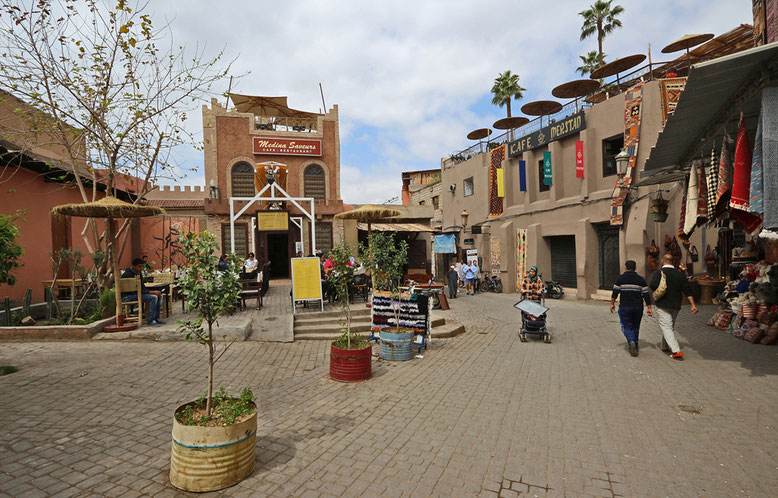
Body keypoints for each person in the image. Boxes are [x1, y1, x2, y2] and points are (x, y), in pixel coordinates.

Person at [649, 253, 699, 360]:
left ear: (663, 261)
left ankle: (676, 351)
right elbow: (687, 289)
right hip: (676, 304)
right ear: (672, 262)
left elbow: (653, 286)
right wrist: (693, 305)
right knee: (669, 326)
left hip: (663, 304)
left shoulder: (659, 272)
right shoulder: (680, 274)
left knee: (666, 326)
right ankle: (665, 346)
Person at [610, 260, 653, 357]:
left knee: (626, 326)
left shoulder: (620, 279)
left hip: (625, 306)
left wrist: (612, 304)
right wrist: (649, 307)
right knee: (636, 326)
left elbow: (615, 293)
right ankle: (635, 347)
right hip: (638, 307)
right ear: (635, 268)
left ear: (625, 267)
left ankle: (631, 341)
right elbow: (646, 295)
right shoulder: (641, 280)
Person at [121, 257, 164, 327]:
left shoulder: (138, 273)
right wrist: (152, 292)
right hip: (128, 297)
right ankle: (151, 320)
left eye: (142, 267)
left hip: (137, 294)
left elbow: (142, 287)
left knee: (159, 296)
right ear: (133, 266)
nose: (141, 268)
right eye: (139, 266)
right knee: (153, 297)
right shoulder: (128, 274)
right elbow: (138, 290)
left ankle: (156, 318)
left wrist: (152, 292)